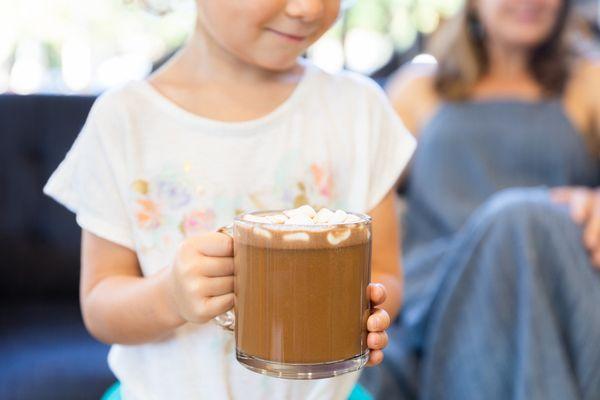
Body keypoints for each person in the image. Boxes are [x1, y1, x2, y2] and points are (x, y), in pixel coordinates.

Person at [43, 1, 416, 399]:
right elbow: (101, 305)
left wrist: (366, 310)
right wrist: (169, 296)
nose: (308, 9)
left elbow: (384, 274)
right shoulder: (125, 120)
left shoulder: (359, 111)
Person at [359, 0, 600, 399]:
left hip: (555, 290)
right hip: (437, 306)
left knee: (521, 219)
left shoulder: (587, 81)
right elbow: (357, 196)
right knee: (516, 216)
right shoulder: (419, 88)